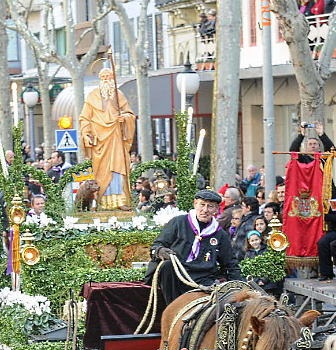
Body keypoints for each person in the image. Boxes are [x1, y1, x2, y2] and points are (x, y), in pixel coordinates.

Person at [146, 190, 241, 305]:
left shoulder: (219, 234)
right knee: (167, 266)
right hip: (177, 276)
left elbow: (230, 263)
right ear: (195, 204)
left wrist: (239, 285)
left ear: (216, 210)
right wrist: (160, 251)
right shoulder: (178, 222)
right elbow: (156, 245)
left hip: (204, 280)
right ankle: (173, 308)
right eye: (202, 204)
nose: (205, 210)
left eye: (210, 206)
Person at [79, 68, 136, 208]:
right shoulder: (92, 96)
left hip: (116, 137)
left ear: (113, 78)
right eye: (103, 77)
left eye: (108, 76)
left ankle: (120, 201)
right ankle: (102, 202)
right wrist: (86, 134)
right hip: (100, 141)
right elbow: (84, 118)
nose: (106, 79)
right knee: (102, 172)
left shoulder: (119, 95)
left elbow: (130, 114)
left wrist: (125, 118)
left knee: (117, 169)